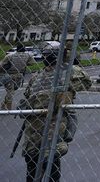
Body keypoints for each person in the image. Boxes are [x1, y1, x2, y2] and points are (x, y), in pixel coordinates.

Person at [20, 49, 74, 182]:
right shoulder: (64, 75)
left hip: (33, 128)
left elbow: (26, 97)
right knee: (51, 165)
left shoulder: (36, 77)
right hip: (52, 127)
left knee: (33, 167)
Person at [1, 42, 33, 110]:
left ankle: (4, 104)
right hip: (19, 75)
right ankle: (8, 107)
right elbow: (31, 63)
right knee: (12, 91)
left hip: (9, 75)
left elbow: (1, 65)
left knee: (11, 91)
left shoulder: (10, 56)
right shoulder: (28, 56)